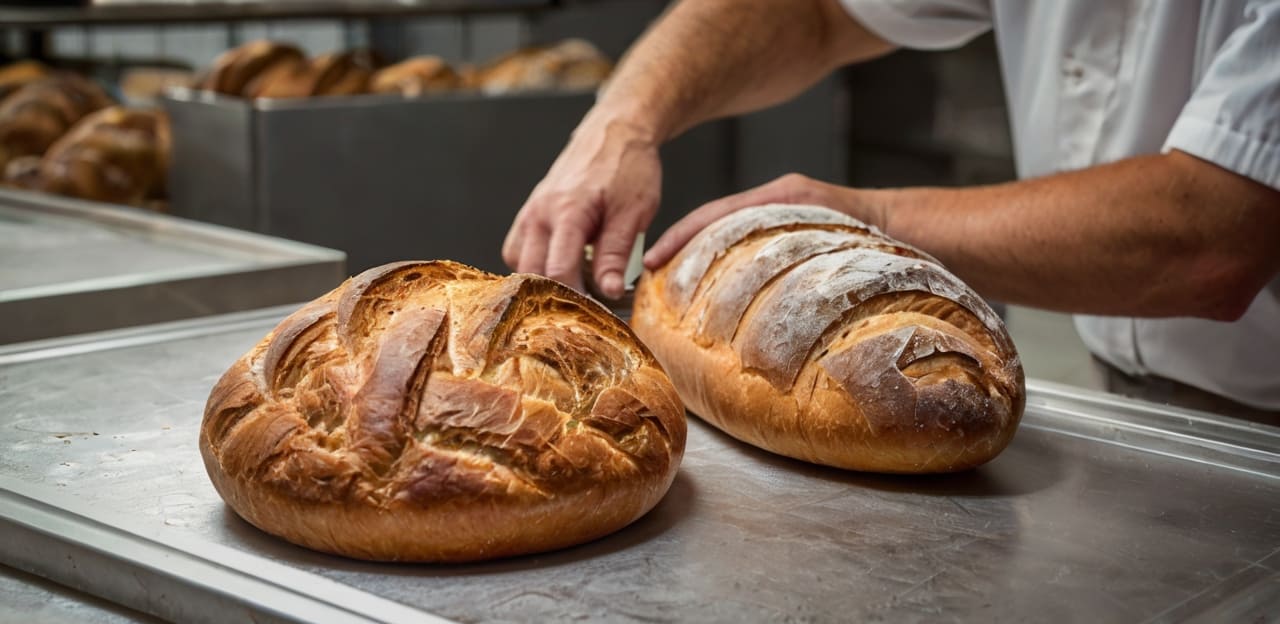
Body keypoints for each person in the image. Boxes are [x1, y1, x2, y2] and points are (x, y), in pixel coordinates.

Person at [501, 0, 1280, 421]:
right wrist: (622, 123)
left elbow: (1213, 234)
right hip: (1139, 408)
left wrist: (860, 220)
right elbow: (812, 10)